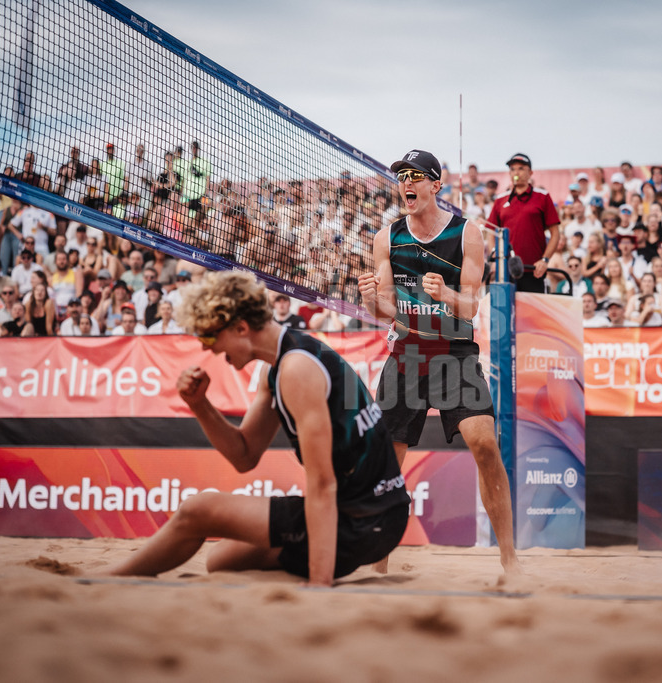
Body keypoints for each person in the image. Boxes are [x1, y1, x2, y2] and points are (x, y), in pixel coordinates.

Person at [104, 271, 409, 585]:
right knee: (224, 560)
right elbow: (244, 456)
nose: (208, 349)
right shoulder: (281, 365)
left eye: (209, 337)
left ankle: (108, 579)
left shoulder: (297, 368)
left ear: (240, 328)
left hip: (365, 519)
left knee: (198, 510)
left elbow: (322, 484)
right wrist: (199, 405)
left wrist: (319, 585)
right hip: (374, 512)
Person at [358, 148, 520, 574]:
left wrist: (445, 293)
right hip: (407, 353)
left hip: (454, 353)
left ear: (435, 185)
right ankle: (378, 566)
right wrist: (372, 301)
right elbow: (386, 311)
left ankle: (510, 560)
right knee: (387, 463)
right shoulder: (386, 237)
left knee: (485, 445)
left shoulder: (467, 233)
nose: (406, 183)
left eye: (415, 176)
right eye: (402, 177)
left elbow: (470, 307)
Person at [487, 153, 561, 293]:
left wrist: (545, 260)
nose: (516, 172)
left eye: (521, 168)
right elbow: (491, 233)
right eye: (513, 169)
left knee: (532, 308)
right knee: (505, 307)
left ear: (530, 173)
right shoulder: (500, 200)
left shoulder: (542, 196)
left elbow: (555, 233)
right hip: (505, 270)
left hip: (534, 270)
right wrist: (496, 258)